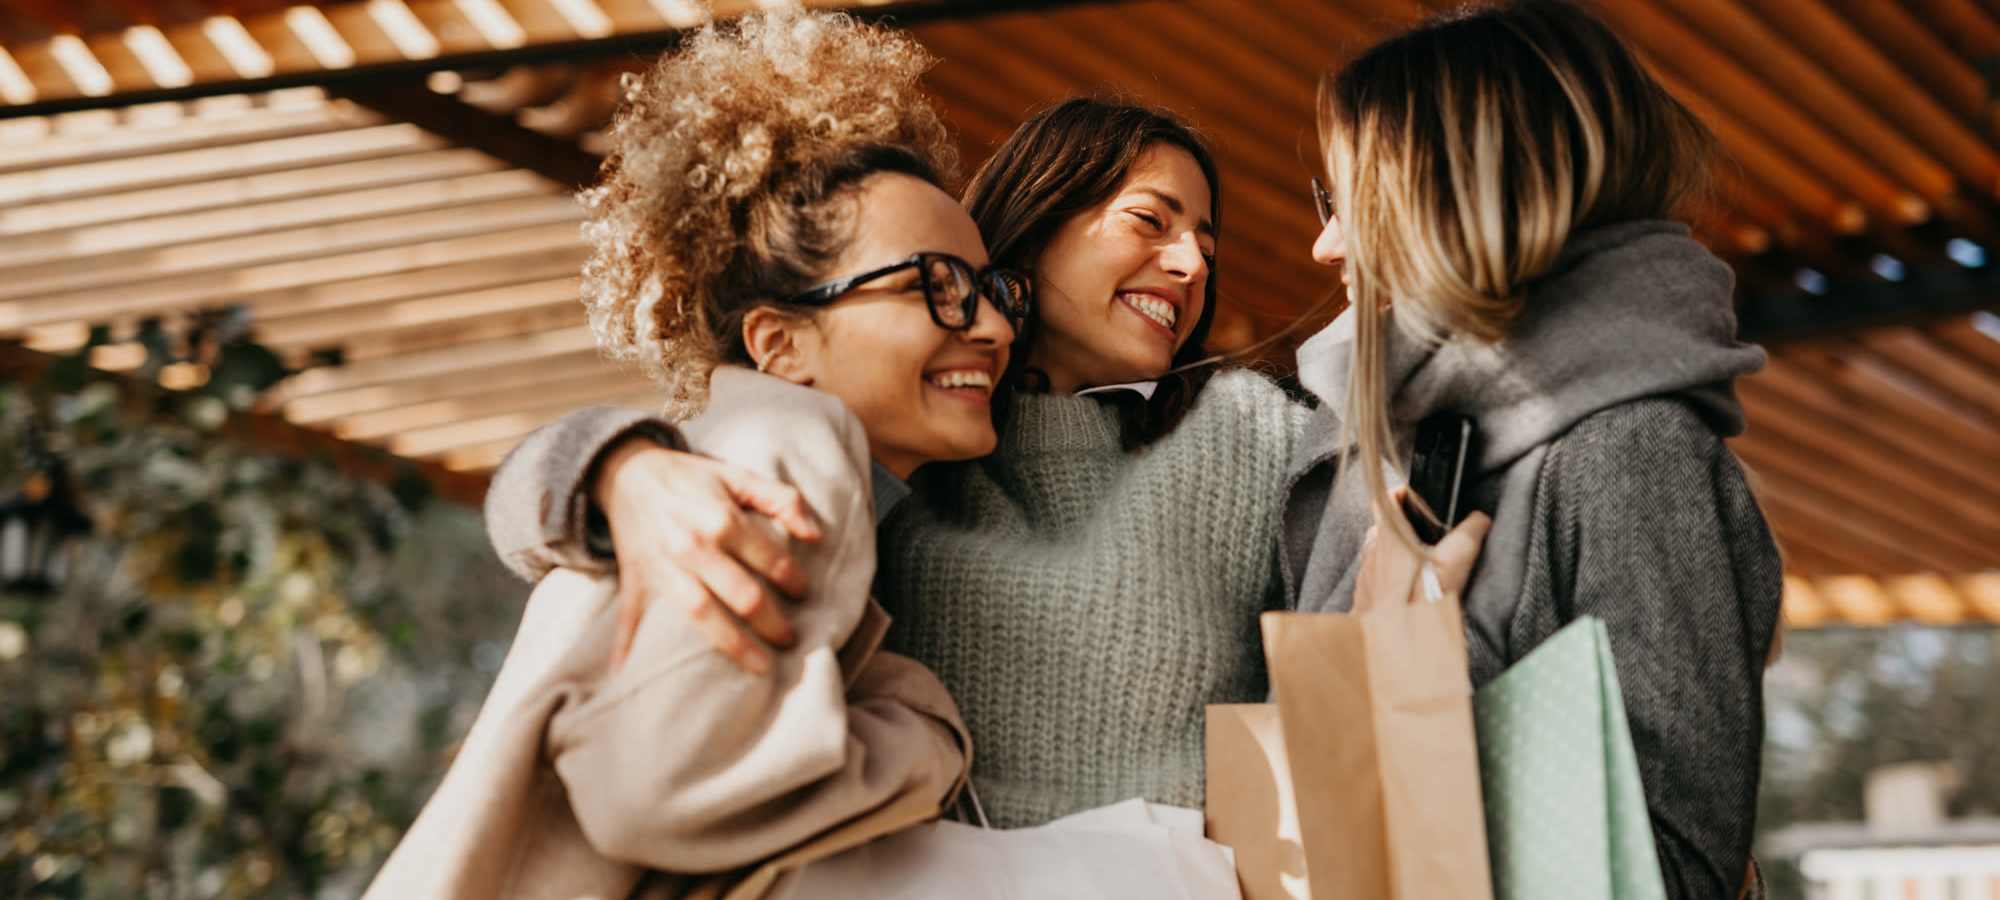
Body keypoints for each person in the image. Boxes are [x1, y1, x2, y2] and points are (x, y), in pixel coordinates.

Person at [366, 11, 1027, 897]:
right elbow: (646, 788)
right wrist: (920, 731)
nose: (991, 327)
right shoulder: (785, 442)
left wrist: (609, 464)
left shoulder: (712, 463)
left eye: (991, 291)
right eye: (934, 287)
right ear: (780, 345)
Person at [1294, 3, 1782, 896]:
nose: (1326, 245)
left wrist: (1406, 680)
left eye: (1352, 202)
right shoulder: (1391, 440)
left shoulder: (1631, 453)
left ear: (1468, 198)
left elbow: (1676, 876)